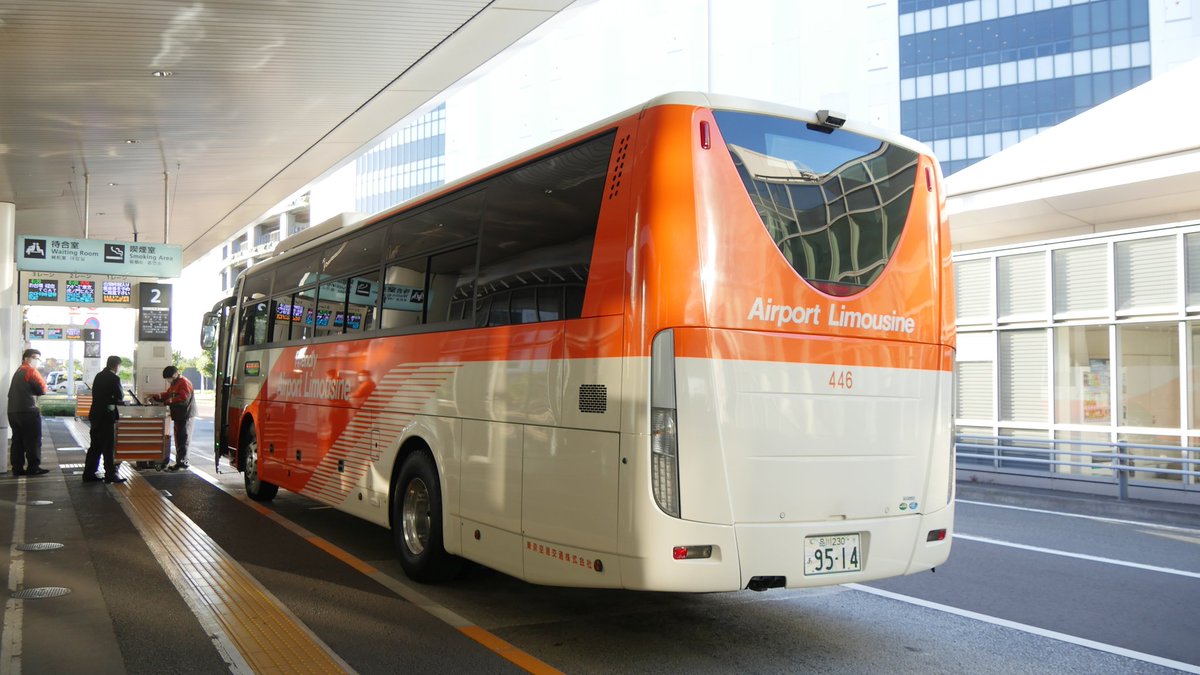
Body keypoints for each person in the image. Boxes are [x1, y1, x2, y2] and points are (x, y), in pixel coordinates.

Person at [83, 355, 127, 484]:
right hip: (107, 416)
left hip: (95, 414)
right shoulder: (114, 378)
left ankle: (89, 473)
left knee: (95, 446)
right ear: (116, 366)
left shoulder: (99, 376)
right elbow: (120, 396)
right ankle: (110, 474)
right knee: (108, 447)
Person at [8, 348, 49, 476]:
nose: (36, 361)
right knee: (33, 440)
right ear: (26, 358)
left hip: (13, 412)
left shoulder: (18, 371)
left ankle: (17, 468)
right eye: (35, 358)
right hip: (28, 412)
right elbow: (42, 389)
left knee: (17, 441)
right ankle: (33, 467)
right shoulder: (30, 370)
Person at [148, 365, 195, 471]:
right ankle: (180, 461)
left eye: (169, 378)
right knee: (179, 438)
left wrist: (167, 401)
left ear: (175, 374)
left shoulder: (184, 382)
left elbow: (183, 398)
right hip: (179, 415)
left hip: (185, 415)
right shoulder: (175, 383)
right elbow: (169, 394)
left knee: (183, 439)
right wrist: (158, 396)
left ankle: (183, 462)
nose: (168, 381)